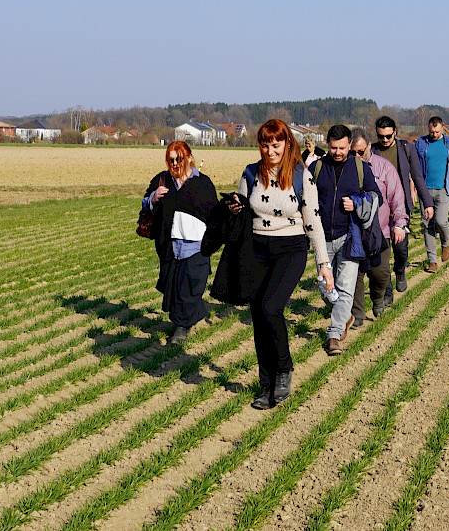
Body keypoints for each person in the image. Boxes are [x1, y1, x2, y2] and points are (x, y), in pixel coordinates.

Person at [233, 120, 333, 410]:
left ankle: (284, 370)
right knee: (258, 317)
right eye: (265, 144)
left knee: (270, 308)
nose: (270, 150)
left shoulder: (302, 176)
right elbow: (243, 210)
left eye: (276, 144)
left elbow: (313, 222)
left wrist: (323, 264)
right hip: (256, 250)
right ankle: (266, 384)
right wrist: (235, 207)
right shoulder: (251, 173)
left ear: (287, 143)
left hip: (290, 250)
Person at [314, 124, 382, 356]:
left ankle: (334, 335)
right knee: (325, 288)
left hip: (350, 238)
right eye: (333, 147)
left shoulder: (361, 169)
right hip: (322, 240)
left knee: (345, 289)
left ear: (350, 144)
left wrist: (357, 203)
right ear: (327, 144)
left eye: (342, 147)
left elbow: (376, 197)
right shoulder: (317, 168)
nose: (338, 152)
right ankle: (346, 315)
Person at [142, 141, 218, 347]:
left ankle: (181, 328)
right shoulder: (162, 180)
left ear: (190, 157)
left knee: (191, 286)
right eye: (171, 160)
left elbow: (215, 215)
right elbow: (144, 204)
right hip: (169, 246)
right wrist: (153, 198)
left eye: (179, 159)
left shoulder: (203, 183)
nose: (175, 163)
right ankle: (192, 315)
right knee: (174, 288)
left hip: (196, 248)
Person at [372, 115, 433, 301]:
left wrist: (428, 202)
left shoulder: (407, 149)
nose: (384, 140)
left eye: (388, 136)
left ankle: (400, 270)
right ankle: (387, 291)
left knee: (401, 248)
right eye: (381, 136)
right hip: (378, 209)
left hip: (400, 205)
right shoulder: (372, 150)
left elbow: (417, 177)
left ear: (395, 133)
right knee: (382, 254)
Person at [350, 128, 407, 321]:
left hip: (379, 233)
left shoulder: (384, 168)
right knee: (354, 276)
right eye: (353, 153)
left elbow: (396, 198)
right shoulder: (345, 170)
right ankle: (357, 313)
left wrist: (399, 224)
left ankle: (378, 298)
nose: (357, 156)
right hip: (353, 234)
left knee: (380, 273)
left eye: (360, 152)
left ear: (368, 146)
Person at [415, 117, 449, 272]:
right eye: (431, 131)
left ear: (442, 128)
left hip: (444, 189)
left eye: (437, 131)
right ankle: (432, 261)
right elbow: (415, 169)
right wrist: (413, 189)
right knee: (428, 225)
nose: (434, 134)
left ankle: (445, 243)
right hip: (425, 190)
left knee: (441, 221)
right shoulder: (421, 143)